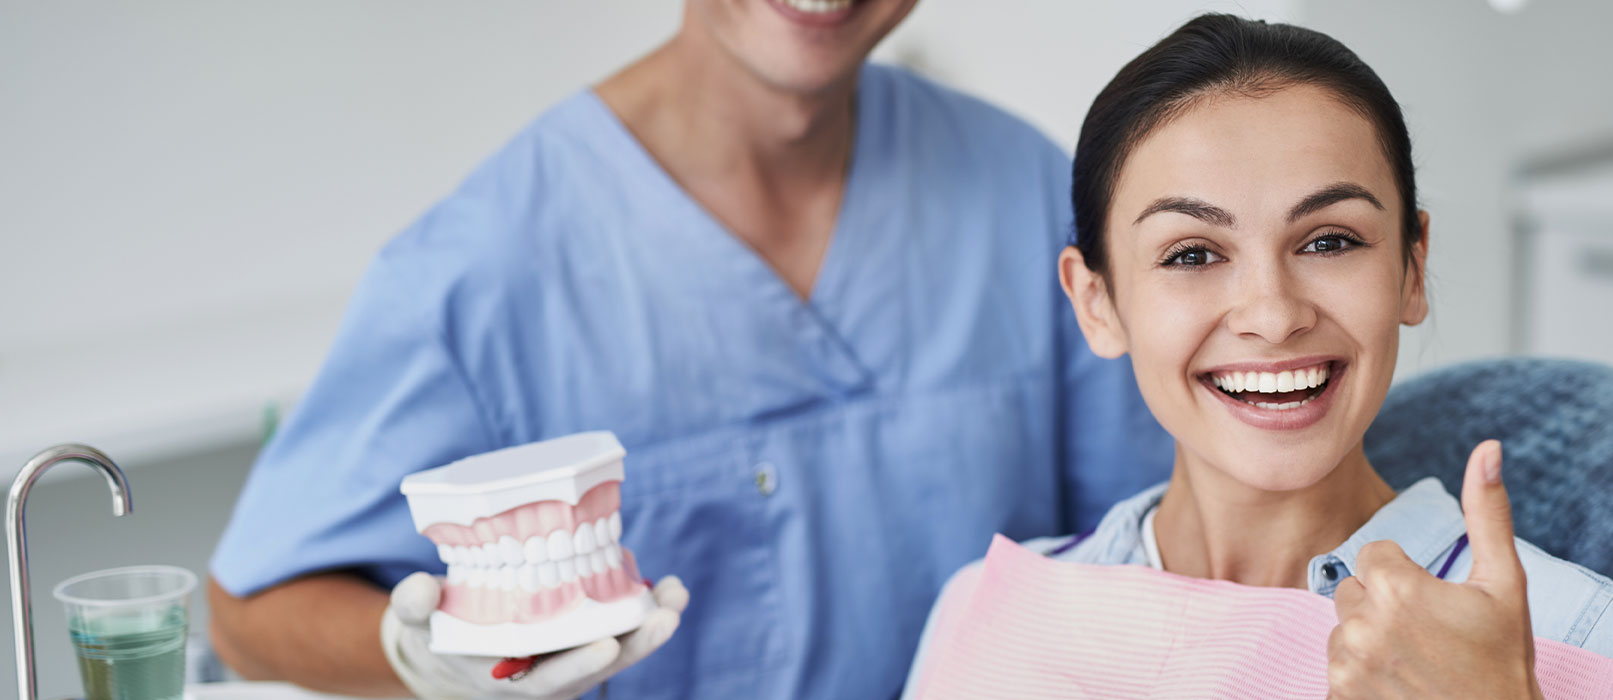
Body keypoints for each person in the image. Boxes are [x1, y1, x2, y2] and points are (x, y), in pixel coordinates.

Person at [203, 1, 1173, 698]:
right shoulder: (484, 263)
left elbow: (1149, 546)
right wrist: (418, 656)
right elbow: (247, 609)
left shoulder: (1023, 191)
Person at [906, 15, 1613, 699]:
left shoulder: (1586, 640)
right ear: (1096, 303)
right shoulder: (984, 612)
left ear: (1412, 268)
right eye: (1190, 254)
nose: (1275, 316)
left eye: (1329, 241)